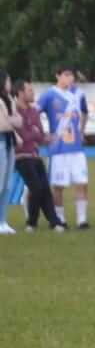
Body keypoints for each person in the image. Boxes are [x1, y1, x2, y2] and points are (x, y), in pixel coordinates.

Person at [37, 66, 91, 229]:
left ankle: (82, 220)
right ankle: (60, 219)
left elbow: (85, 112)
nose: (70, 79)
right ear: (57, 76)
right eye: (66, 75)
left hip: (76, 148)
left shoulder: (78, 94)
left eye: (72, 76)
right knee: (58, 186)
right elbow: (35, 113)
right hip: (58, 149)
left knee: (82, 182)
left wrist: (81, 131)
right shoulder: (49, 95)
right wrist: (43, 134)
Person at [12, 82, 66, 232]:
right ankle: (32, 223)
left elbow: (39, 134)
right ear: (20, 93)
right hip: (21, 156)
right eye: (30, 90)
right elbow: (23, 135)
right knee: (36, 188)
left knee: (45, 189)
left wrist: (46, 137)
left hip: (35, 155)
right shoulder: (13, 111)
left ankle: (54, 222)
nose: (33, 93)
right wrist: (34, 134)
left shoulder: (34, 111)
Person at [0, 71, 17, 234]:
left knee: (7, 185)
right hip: (1, 142)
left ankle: (2, 221)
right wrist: (12, 122)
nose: (9, 83)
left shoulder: (10, 99)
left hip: (10, 142)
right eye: (8, 80)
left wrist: (11, 121)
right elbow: (2, 125)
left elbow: (17, 120)